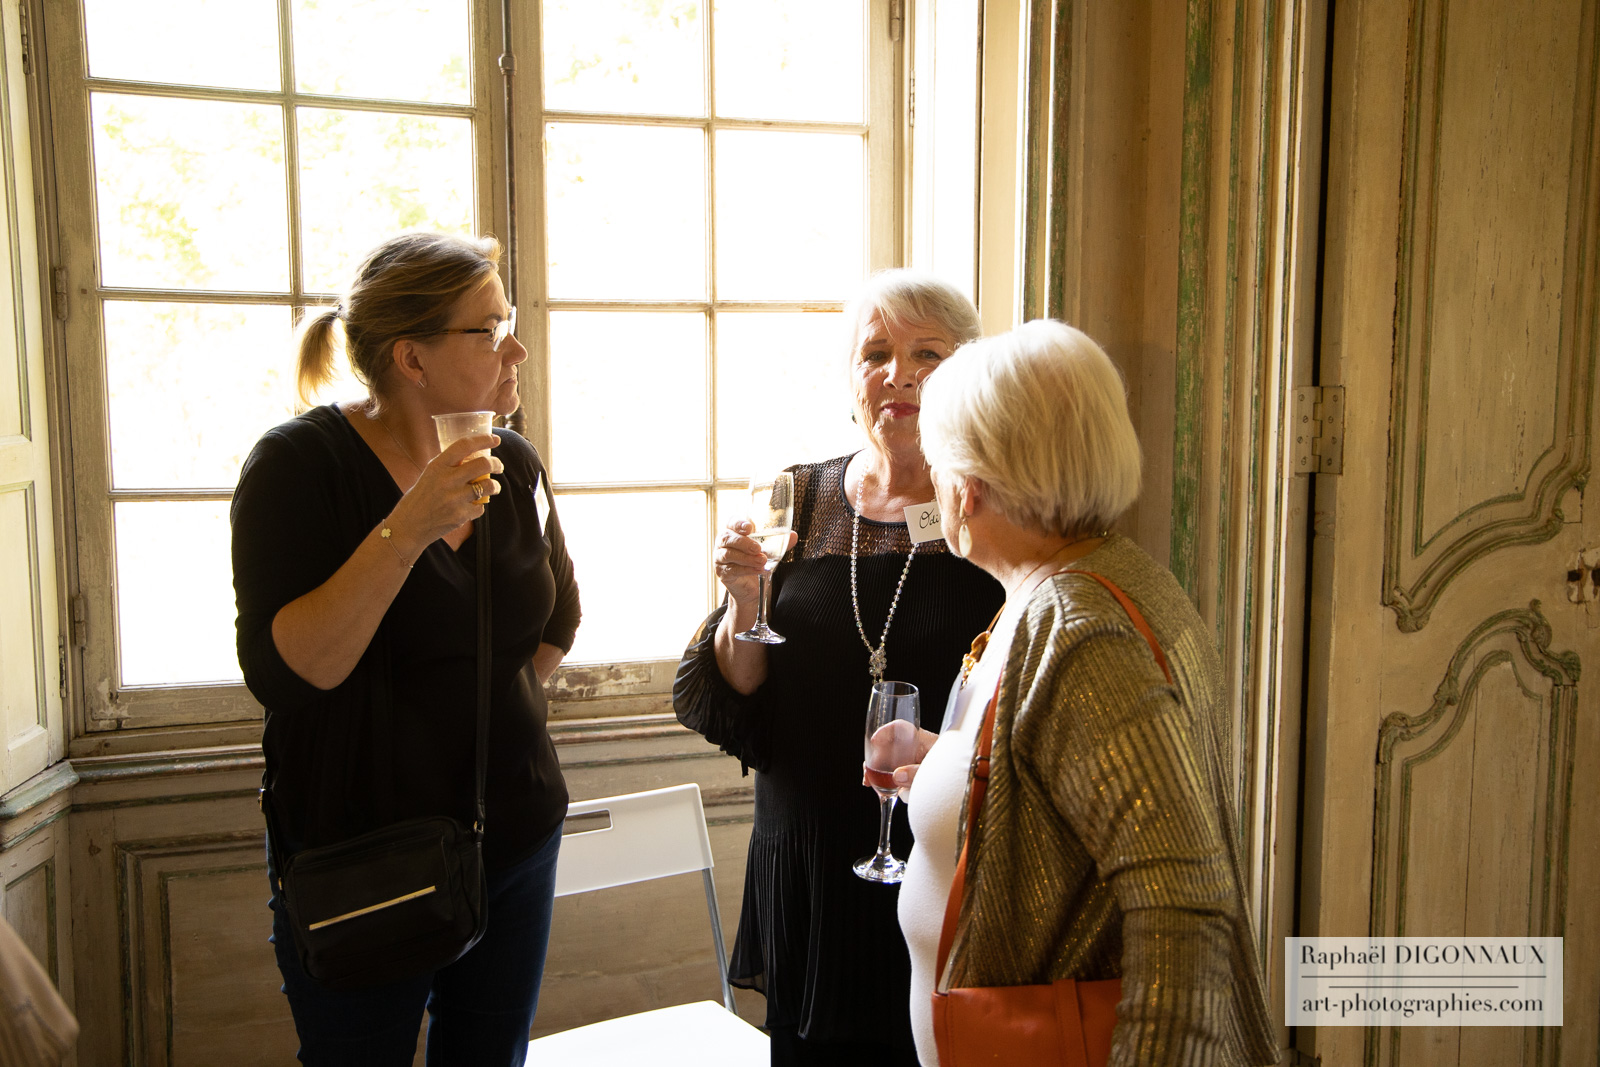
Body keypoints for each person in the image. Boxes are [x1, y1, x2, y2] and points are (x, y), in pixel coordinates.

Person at [232, 232, 580, 1065]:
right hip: (361, 862)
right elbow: (292, 671)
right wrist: (409, 525)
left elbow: (557, 621)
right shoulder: (296, 467)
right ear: (411, 358)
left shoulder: (513, 463)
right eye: (490, 331)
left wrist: (476, 722)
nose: (517, 350)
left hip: (515, 841)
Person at [895, 319, 1277, 1067]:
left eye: (937, 465)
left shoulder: (1079, 627)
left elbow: (1185, 898)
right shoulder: (1077, 580)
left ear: (969, 487)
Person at [673, 271, 1004, 1065]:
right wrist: (745, 601)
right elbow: (743, 693)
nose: (899, 374)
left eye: (927, 354)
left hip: (937, 858)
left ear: (967, 371)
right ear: (852, 376)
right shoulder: (802, 496)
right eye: (876, 353)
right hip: (809, 863)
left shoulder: (991, 504)